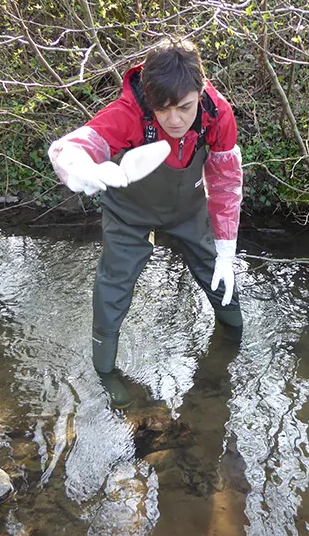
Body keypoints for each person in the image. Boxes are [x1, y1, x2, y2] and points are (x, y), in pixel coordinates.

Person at [47, 38, 244, 409]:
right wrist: (78, 167)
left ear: (200, 92)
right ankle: (106, 373)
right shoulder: (130, 112)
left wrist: (226, 249)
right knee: (113, 288)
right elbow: (71, 146)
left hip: (189, 211)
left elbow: (226, 182)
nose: (174, 120)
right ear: (150, 99)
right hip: (129, 214)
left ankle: (234, 334)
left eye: (184, 107)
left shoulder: (216, 114)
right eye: (163, 109)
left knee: (219, 276)